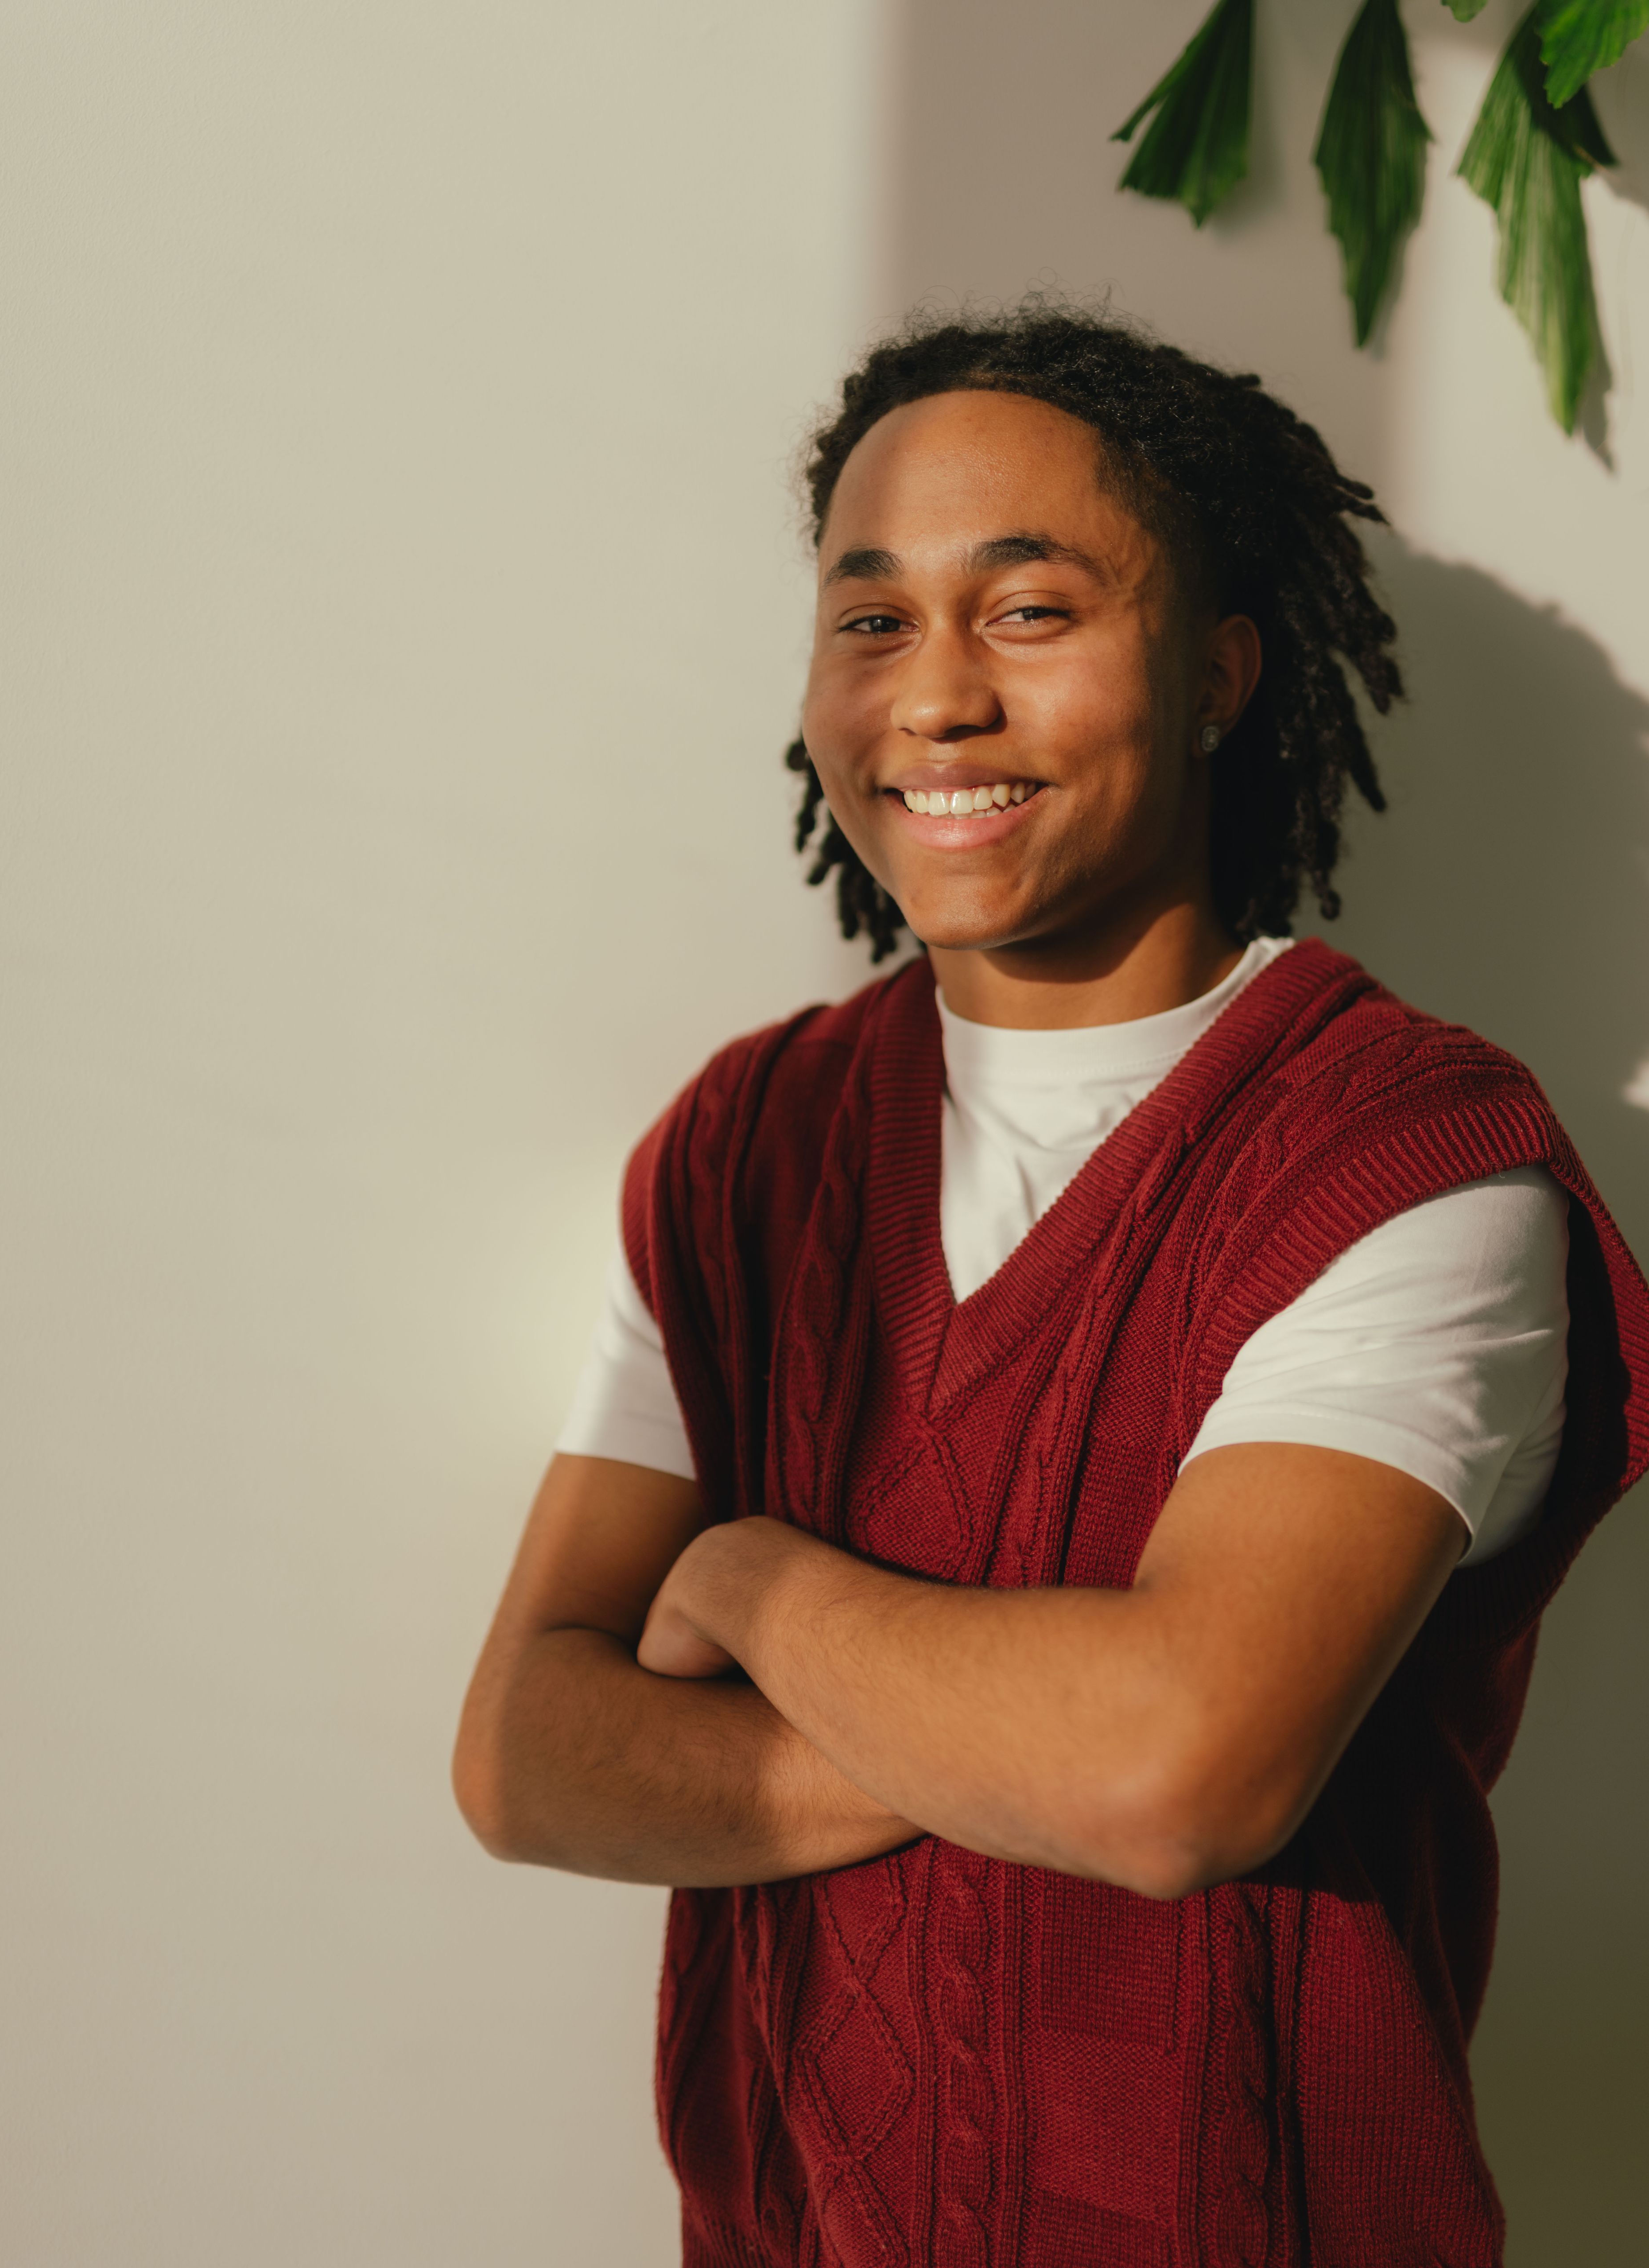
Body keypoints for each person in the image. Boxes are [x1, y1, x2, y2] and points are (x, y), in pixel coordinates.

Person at [453, 306, 1649, 2266]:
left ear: (1217, 678)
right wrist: (1027, 1725)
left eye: (1027, 612)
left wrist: (748, 1576)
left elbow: (1178, 1771)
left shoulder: (1410, 1156)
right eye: (871, 621)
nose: (932, 700)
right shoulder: (746, 1146)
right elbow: (527, 1750)